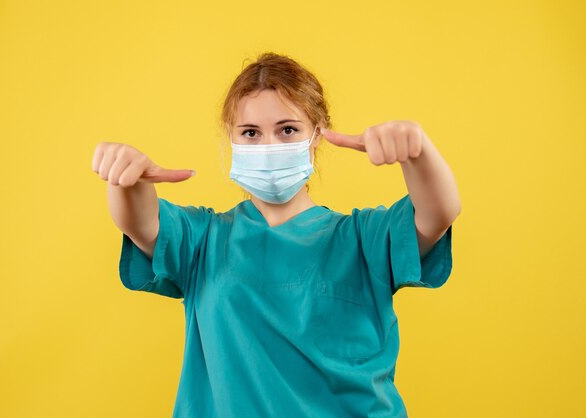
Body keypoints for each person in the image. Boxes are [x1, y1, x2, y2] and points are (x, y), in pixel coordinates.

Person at [92, 52, 461, 417]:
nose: (268, 147)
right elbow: (140, 222)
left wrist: (419, 152)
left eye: (288, 130)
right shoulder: (202, 240)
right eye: (250, 133)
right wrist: (126, 177)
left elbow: (438, 213)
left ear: (317, 135)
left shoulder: (364, 240)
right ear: (232, 140)